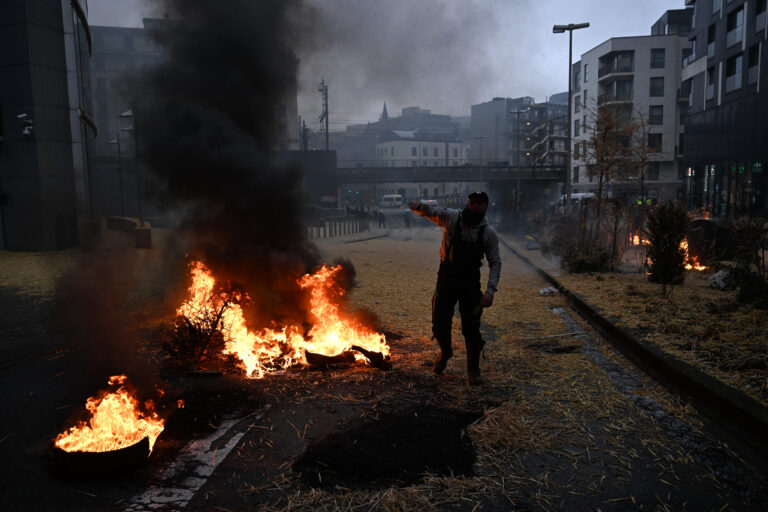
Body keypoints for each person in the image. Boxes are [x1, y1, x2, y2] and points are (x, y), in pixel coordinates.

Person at [409, 191, 501, 385]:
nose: (473, 206)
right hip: (446, 278)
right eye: (471, 202)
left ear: (485, 207)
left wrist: (491, 291)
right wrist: (419, 206)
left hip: (470, 282)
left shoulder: (488, 233)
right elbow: (433, 211)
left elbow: (495, 263)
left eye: (478, 204)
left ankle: (473, 370)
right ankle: (445, 352)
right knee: (439, 321)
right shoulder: (452, 217)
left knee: (472, 327)